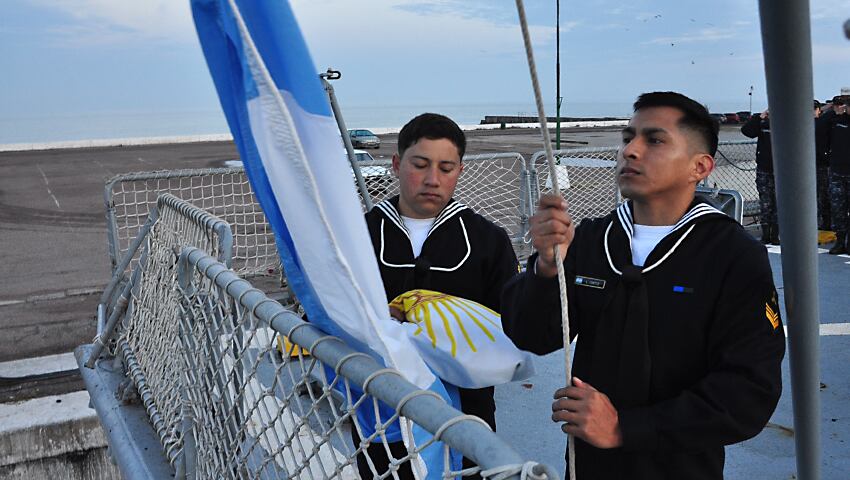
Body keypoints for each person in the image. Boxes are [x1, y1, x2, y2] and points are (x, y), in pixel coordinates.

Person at [501, 92, 786, 480]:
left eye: (654, 140)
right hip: (587, 467)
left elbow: (749, 392)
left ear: (699, 167)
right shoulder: (590, 239)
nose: (630, 151)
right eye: (627, 137)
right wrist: (546, 269)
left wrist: (625, 428)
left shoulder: (733, 255)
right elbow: (531, 334)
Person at [354, 113, 520, 478]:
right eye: (420, 164)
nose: (433, 179)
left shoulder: (488, 241)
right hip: (382, 414)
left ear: (460, 170)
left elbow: (511, 324)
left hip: (467, 412)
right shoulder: (359, 237)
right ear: (397, 164)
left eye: (446, 167)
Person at [741, 108, 779, 244]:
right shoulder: (763, 124)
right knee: (766, 203)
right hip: (764, 169)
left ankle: (776, 235)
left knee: (779, 204)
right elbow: (747, 131)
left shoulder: (786, 124)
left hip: (781, 172)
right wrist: (760, 118)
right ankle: (766, 235)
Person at [819, 90, 850, 254]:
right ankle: (840, 241)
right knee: (838, 209)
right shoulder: (835, 121)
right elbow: (818, 129)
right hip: (837, 173)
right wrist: (830, 109)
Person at [815, 100, 832, 231]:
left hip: (823, 164)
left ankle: (826, 223)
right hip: (812, 165)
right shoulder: (804, 123)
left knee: (824, 196)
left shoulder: (824, 121)